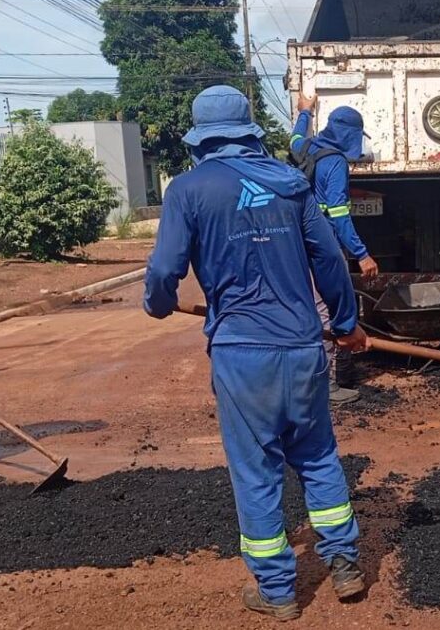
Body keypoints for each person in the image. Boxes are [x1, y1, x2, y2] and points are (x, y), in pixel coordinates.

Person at [144, 85, 370, 621]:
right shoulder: (291, 184)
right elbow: (329, 262)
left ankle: (277, 591)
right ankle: (344, 564)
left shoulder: (188, 190)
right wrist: (345, 324)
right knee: (317, 454)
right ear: (248, 131)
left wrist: (158, 303)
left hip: (243, 354)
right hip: (302, 347)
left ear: (201, 138)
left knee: (256, 469)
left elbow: (164, 270)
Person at [289, 97, 378, 405]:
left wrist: (305, 112)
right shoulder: (336, 162)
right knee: (331, 307)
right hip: (324, 244)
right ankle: (329, 383)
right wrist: (361, 254)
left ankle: (339, 373)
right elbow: (339, 214)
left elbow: (294, 137)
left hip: (298, 241)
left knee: (316, 306)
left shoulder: (306, 148)